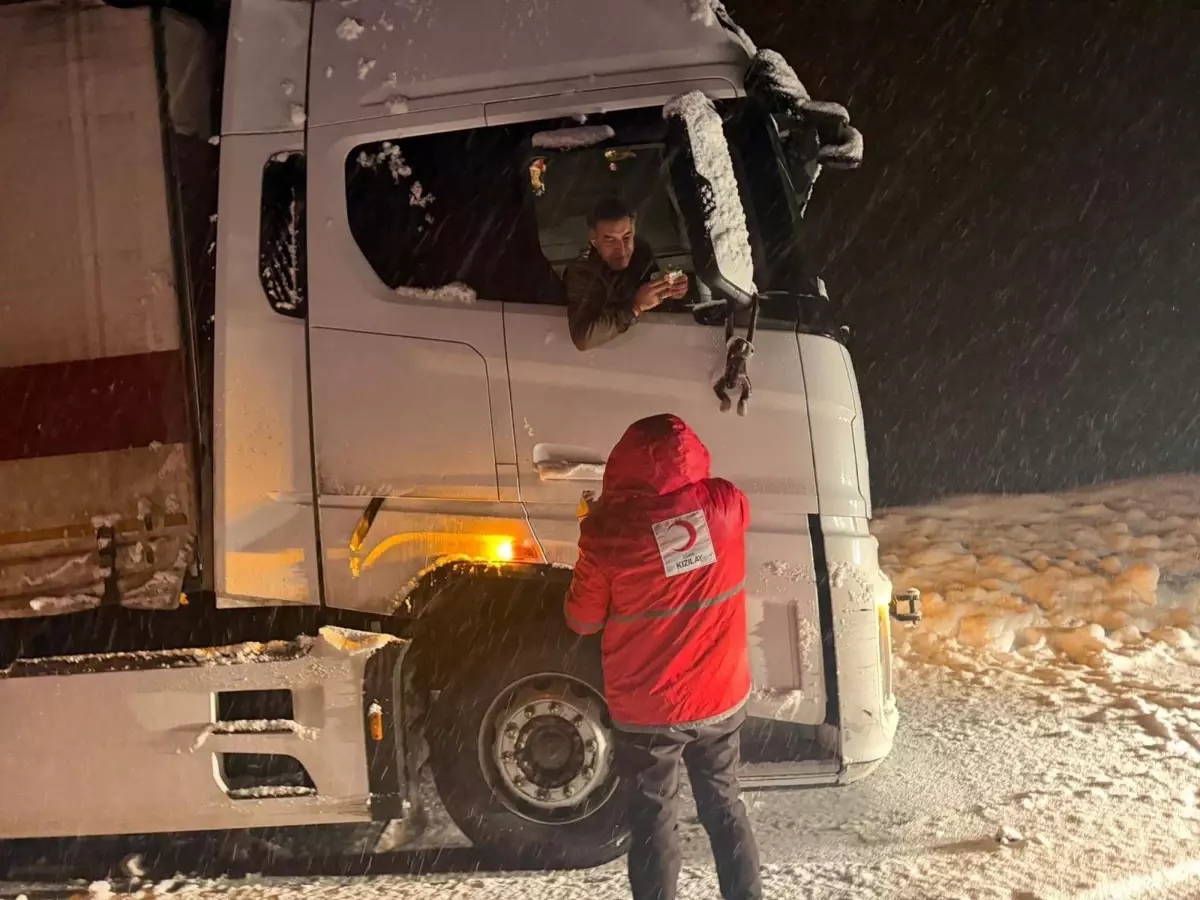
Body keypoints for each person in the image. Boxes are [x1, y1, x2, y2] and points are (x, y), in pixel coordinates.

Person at [564, 414, 762, 900]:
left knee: (654, 818)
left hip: (651, 709)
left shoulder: (607, 535)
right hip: (720, 695)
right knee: (725, 806)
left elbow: (582, 620)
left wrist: (597, 521)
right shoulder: (727, 504)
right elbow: (680, 529)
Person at [563, 197, 690, 350]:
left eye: (627, 237)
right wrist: (634, 308)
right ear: (594, 242)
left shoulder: (640, 252)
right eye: (610, 240)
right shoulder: (582, 271)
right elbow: (584, 338)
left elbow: (655, 300)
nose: (622, 250)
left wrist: (672, 290)